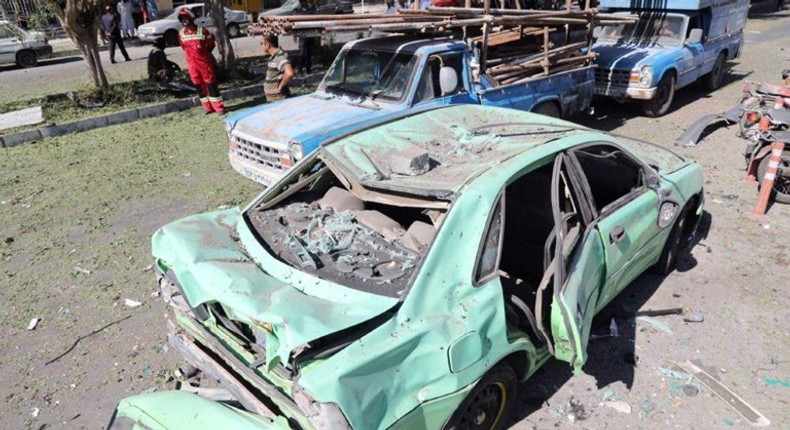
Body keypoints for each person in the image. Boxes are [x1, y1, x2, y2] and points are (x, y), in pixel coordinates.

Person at [177, 8, 225, 114]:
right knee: (199, 86)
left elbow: (211, 44)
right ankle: (208, 107)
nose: (184, 21)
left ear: (191, 18)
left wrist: (203, 55)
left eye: (186, 18)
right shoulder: (181, 34)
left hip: (204, 64)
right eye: (182, 19)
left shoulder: (202, 31)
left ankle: (219, 108)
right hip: (192, 64)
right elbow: (183, 47)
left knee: (211, 85)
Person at [261, 34, 295, 102]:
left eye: (261, 43)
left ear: (267, 45)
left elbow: (289, 73)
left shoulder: (279, 57)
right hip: (273, 99)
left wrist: (280, 88)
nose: (261, 46)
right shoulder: (274, 57)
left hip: (279, 99)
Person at [294, 0, 318, 75]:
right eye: (301, 1)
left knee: (309, 53)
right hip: (302, 35)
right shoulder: (297, 11)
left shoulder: (311, 10)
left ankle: (308, 69)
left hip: (310, 34)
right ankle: (300, 69)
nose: (303, 3)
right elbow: (294, 23)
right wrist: (294, 35)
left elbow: (315, 14)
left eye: (304, 1)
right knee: (302, 53)